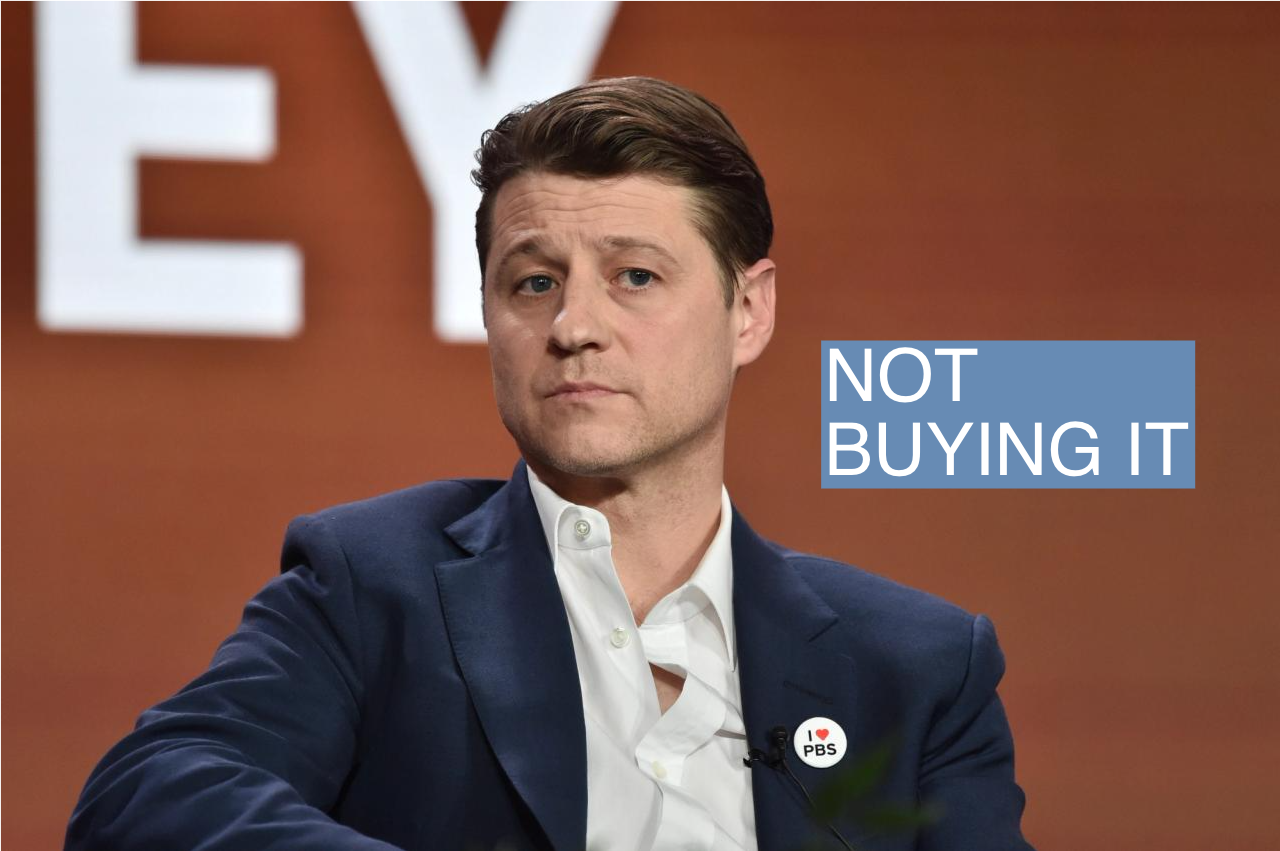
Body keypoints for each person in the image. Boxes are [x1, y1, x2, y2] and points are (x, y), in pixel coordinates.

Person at [66, 77, 1033, 851]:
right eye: (534, 282)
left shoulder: (914, 669)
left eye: (635, 277)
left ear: (749, 311)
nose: (573, 326)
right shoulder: (372, 585)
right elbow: (149, 795)